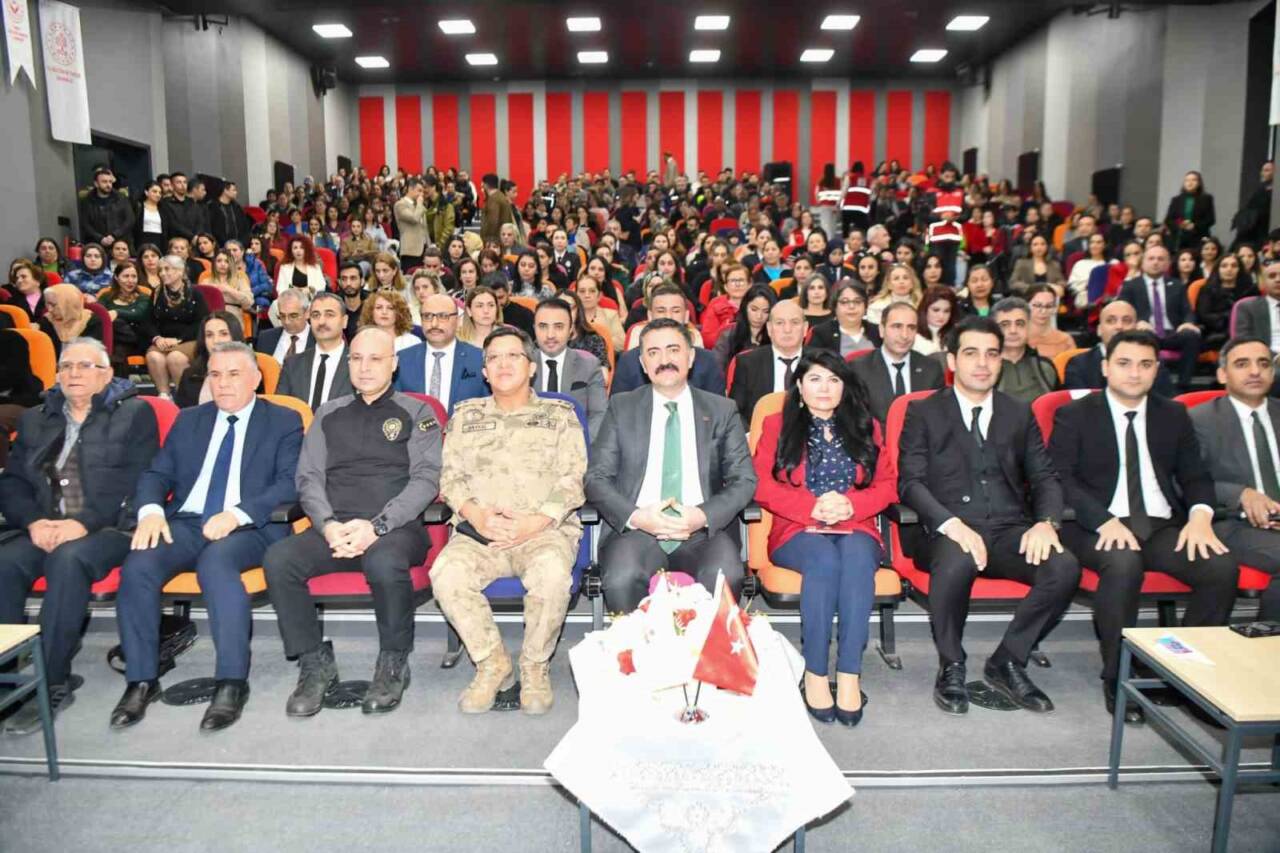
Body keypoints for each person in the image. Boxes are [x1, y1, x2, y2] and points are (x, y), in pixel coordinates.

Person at [111, 343, 303, 732]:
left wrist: (235, 515)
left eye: (234, 374)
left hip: (253, 526)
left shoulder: (284, 420)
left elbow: (289, 484)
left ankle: (231, 682)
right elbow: (156, 475)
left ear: (256, 379)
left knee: (216, 564)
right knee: (139, 565)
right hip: (188, 522)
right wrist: (149, 511)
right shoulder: (190, 420)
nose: (223, 383)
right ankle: (141, 679)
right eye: (215, 375)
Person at [1049, 330, 1238, 722]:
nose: (1134, 373)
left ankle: (1186, 677)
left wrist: (1201, 516)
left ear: (1156, 370)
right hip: (1093, 525)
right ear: (1104, 367)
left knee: (1220, 568)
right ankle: (1117, 676)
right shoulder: (1075, 413)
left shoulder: (1173, 415)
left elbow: (1195, 477)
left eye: (1145, 364)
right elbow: (1060, 479)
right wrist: (1103, 520)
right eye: (1124, 363)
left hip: (1158, 524)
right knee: (1123, 564)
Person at [899, 316, 1080, 716]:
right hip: (946, 529)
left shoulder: (1019, 413)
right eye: (971, 353)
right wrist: (950, 523)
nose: (982, 363)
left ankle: (1008, 659)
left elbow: (1045, 476)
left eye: (991, 354)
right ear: (952, 360)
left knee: (1063, 566)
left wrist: (1045, 523)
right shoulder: (924, 412)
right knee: (957, 556)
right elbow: (909, 482)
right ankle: (952, 663)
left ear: (1001, 361)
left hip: (1009, 529)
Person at [264, 327, 442, 717]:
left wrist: (376, 527)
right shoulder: (329, 413)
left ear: (393, 364)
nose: (365, 367)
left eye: (376, 359)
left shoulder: (417, 412)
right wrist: (327, 525)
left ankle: (393, 661)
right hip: (335, 527)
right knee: (280, 559)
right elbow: (307, 477)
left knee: (383, 561)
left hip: (396, 530)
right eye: (357, 358)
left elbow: (427, 480)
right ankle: (314, 662)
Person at [0, 339, 158, 735]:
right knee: (4, 564)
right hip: (45, 525)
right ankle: (7, 679)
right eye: (66, 366)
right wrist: (34, 521)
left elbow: (136, 479)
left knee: (67, 560)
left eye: (85, 366)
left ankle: (52, 681)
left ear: (106, 375)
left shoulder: (135, 413)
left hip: (110, 528)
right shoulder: (36, 419)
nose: (73, 374)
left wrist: (83, 523)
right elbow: (14, 483)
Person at [431, 327, 587, 715]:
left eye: (513, 356)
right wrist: (477, 515)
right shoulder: (466, 418)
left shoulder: (558, 415)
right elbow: (450, 478)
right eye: (494, 358)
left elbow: (573, 477)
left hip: (542, 532)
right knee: (446, 574)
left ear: (531, 367)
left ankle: (534, 666)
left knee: (552, 576)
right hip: (480, 535)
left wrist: (535, 522)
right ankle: (491, 662)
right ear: (484, 372)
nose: (503, 364)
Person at [751, 350, 896, 725]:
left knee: (858, 559)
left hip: (856, 524)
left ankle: (849, 672)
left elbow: (888, 484)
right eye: (815, 378)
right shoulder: (775, 424)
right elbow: (761, 485)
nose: (824, 388)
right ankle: (815, 671)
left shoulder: (867, 426)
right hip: (797, 527)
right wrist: (811, 506)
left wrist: (851, 504)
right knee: (824, 560)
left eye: (834, 380)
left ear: (845, 388)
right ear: (799, 385)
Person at [587, 317, 755, 615]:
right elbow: (596, 478)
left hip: (703, 530)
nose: (664, 360)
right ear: (642, 362)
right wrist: (637, 517)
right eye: (653, 353)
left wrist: (701, 515)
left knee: (724, 576)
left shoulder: (721, 409)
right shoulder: (621, 407)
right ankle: (633, 659)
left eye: (673, 350)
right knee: (622, 578)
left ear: (690, 357)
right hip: (637, 529)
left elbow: (744, 480)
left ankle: (708, 661)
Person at [1190, 336, 1280, 622]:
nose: (1255, 371)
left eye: (1263, 364)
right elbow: (1185, 482)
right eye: (1242, 364)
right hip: (1231, 521)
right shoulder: (1198, 419)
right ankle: (1269, 649)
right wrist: (1240, 493)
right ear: (1222, 374)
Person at [1116, 245, 1203, 390]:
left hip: (1173, 333)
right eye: (1151, 258)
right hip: (1145, 331)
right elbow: (1122, 311)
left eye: (1160, 259)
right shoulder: (1131, 286)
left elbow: (1187, 311)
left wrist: (1187, 323)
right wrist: (1137, 323)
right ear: (1143, 262)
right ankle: (1156, 385)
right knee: (1144, 336)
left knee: (1191, 336)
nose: (1155, 262)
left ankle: (1184, 385)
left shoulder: (1176, 285)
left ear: (1168, 263)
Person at [851, 301, 946, 424]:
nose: (905, 335)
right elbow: (856, 421)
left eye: (911, 327)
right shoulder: (858, 369)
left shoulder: (932, 369)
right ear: (881, 330)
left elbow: (938, 418)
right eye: (897, 326)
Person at [394, 292, 489, 412]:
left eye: (443, 316)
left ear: (458, 321)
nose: (434, 323)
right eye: (427, 316)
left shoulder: (478, 359)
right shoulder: (402, 359)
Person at [1064, 299, 1175, 396]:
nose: (1119, 326)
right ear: (1099, 330)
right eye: (1111, 321)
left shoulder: (1151, 362)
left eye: (1126, 321)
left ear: (1136, 328)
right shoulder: (1078, 365)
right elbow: (1080, 408)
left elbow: (1166, 403)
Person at [531, 297, 607, 441]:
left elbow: (599, 414)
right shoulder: (522, 364)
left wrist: (579, 447)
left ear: (571, 329)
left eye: (559, 327)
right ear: (534, 328)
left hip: (576, 447)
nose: (550, 335)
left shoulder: (589, 365)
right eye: (543, 326)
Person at [730, 299, 809, 429]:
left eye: (794, 323)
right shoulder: (748, 363)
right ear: (769, 329)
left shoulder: (821, 362)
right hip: (760, 438)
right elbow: (735, 412)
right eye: (779, 323)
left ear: (805, 328)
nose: (787, 329)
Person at [145, 256, 210, 400]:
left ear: (180, 271)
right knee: (154, 357)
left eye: (167, 269)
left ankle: (184, 397)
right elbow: (148, 321)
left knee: (175, 358)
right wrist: (157, 338)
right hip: (163, 340)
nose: (162, 273)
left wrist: (178, 339)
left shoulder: (195, 293)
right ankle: (164, 395)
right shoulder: (157, 293)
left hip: (188, 339)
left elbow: (202, 322)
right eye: (160, 269)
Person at [277, 292, 353, 410]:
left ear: (344, 321)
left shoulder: (358, 363)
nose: (321, 322)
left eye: (329, 315)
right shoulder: (292, 364)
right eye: (316, 315)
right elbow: (279, 410)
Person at [991, 297, 1059, 403]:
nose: (1013, 331)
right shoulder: (985, 369)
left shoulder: (1045, 367)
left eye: (1019, 324)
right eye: (1005, 325)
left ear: (1029, 326)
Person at [173, 311, 244, 408]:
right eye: (209, 335)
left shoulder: (249, 373)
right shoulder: (189, 375)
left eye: (223, 334)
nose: (216, 341)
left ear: (235, 336)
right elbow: (182, 416)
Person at [1196, 253, 1256, 351]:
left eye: (1234, 266)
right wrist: (1229, 318)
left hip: (1246, 331)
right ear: (1218, 269)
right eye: (1224, 266)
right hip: (1216, 333)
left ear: (1239, 269)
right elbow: (1204, 316)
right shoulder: (1207, 290)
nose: (1229, 269)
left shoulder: (1250, 290)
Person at [809, 280, 881, 357]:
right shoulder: (821, 333)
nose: (851, 306)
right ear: (835, 306)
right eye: (844, 302)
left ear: (865, 306)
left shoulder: (878, 331)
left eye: (857, 301)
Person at [712, 283, 775, 372]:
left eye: (766, 311)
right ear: (745, 307)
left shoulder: (777, 337)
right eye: (754, 309)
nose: (759, 316)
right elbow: (716, 369)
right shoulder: (728, 336)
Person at [1229, 258, 1280, 360]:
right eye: (1272, 276)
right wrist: (1275, 357)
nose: (1278, 279)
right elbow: (1244, 342)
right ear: (1263, 283)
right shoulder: (1248, 307)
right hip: (1265, 361)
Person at [38, 284, 105, 359]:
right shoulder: (47, 321)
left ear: (68, 304)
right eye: (47, 304)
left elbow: (92, 354)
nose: (49, 310)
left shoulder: (92, 321)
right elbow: (44, 354)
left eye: (53, 305)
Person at [79, 167, 135, 248]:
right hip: (97, 244)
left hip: (120, 243)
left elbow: (130, 220)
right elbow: (85, 224)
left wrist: (114, 235)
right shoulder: (87, 201)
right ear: (96, 183)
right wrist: (100, 238)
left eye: (110, 182)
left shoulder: (121, 198)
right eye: (104, 182)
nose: (108, 185)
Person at [256, 288, 313, 365]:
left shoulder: (320, 339)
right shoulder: (265, 338)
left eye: (293, 316)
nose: (287, 322)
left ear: (307, 313)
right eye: (282, 316)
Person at [1164, 170, 1216, 252]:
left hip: (1198, 237)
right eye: (1187, 180)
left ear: (1199, 183)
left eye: (1193, 180)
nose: (1190, 183)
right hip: (1179, 238)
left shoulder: (1206, 199)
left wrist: (1194, 225)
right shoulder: (1176, 200)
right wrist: (1181, 224)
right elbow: (1169, 219)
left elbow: (1210, 219)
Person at [200, 249, 255, 326]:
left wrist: (229, 290)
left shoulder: (240, 280)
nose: (223, 264)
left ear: (231, 264)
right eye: (219, 261)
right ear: (214, 263)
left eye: (226, 261)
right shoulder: (206, 282)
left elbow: (249, 302)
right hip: (211, 319)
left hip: (233, 320)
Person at [1024, 285, 1075, 359]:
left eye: (1049, 306)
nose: (1043, 311)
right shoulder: (1015, 339)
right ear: (1026, 305)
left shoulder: (1065, 340)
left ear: (1054, 308)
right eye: (1037, 305)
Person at [1009, 234, 1065, 299]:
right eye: (1035, 244)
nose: (1039, 247)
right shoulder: (1021, 263)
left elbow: (1061, 281)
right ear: (1030, 247)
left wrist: (1059, 286)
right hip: (1027, 299)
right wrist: (1031, 288)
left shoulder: (1054, 264)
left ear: (1047, 247)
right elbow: (1013, 283)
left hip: (1049, 300)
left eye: (1042, 244)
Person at [393, 178, 430, 270]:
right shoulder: (400, 204)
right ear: (410, 189)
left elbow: (424, 229)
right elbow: (414, 218)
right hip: (410, 250)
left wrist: (429, 246)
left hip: (424, 249)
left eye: (423, 192)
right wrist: (420, 204)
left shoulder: (419, 206)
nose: (422, 194)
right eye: (419, 191)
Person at [160, 172, 207, 244]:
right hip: (176, 242)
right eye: (179, 182)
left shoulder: (192, 203)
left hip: (195, 242)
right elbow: (173, 224)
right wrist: (191, 236)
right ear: (172, 185)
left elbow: (200, 222)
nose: (183, 185)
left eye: (185, 182)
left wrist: (197, 236)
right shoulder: (166, 203)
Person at [914, 286, 959, 357]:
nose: (941, 316)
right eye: (936, 310)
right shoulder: (913, 336)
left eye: (946, 311)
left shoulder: (956, 335)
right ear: (924, 309)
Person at [209, 181, 250, 248]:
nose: (236, 192)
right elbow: (214, 228)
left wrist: (242, 242)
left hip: (239, 244)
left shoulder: (237, 207)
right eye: (234, 190)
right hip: (221, 245)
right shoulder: (213, 207)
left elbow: (245, 226)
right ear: (225, 190)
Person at [480, 174, 515, 247]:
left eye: (482, 183)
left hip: (494, 241)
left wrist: (489, 241)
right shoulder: (499, 196)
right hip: (500, 238)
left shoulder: (494, 199)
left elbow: (493, 221)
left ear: (486, 185)